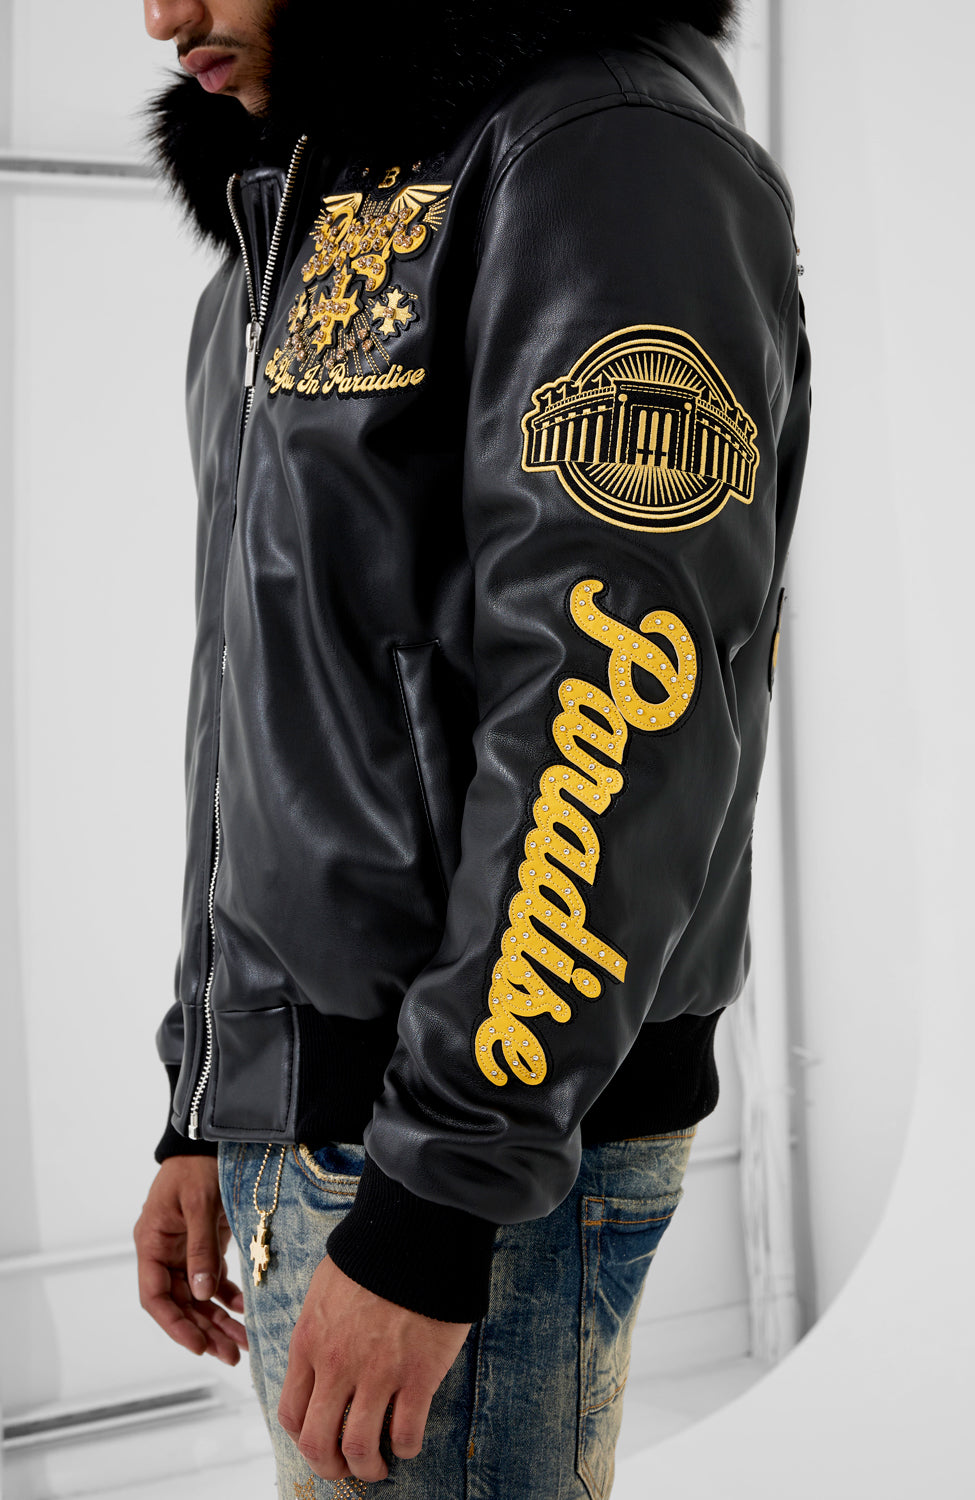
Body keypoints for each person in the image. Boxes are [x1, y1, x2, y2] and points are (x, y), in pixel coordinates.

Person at [132, 1, 810, 1494]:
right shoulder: (299, 218)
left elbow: (612, 703)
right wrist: (212, 1097)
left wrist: (438, 1202)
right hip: (327, 1125)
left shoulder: (598, 151)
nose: (163, 15)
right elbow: (264, 707)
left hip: (469, 1149)